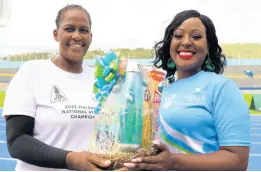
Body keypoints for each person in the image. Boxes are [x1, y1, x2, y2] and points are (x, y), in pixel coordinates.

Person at [123, 10, 250, 171]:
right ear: (169, 44)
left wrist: (174, 162)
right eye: (178, 36)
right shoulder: (162, 91)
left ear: (209, 46)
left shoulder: (222, 87)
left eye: (196, 37)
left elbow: (238, 160)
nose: (186, 42)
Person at [2, 4, 119, 171]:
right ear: (56, 34)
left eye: (84, 30)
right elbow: (17, 141)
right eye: (70, 29)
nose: (77, 36)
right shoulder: (32, 72)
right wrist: (69, 159)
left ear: (91, 37)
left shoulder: (100, 80)